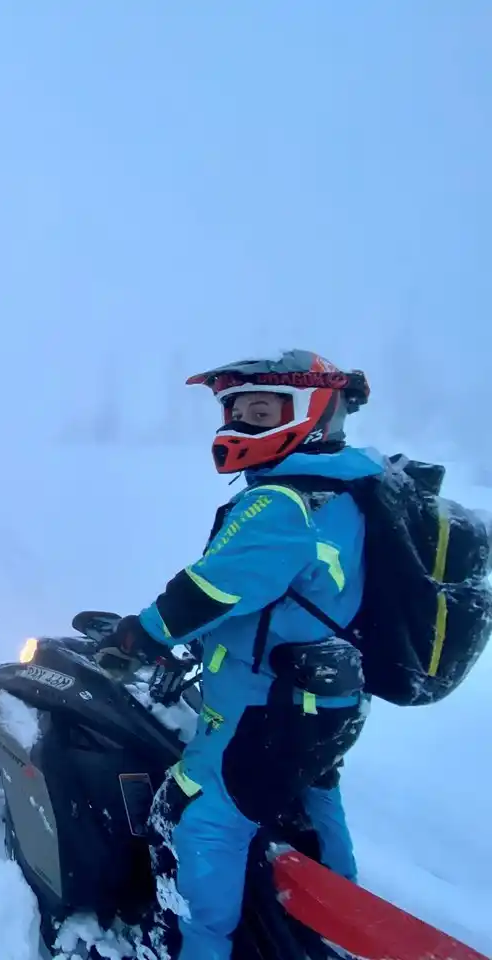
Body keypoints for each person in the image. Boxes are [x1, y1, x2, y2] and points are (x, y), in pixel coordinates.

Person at [95, 350, 377, 960]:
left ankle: (191, 946)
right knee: (314, 798)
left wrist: (138, 637)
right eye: (236, 411)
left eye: (259, 411)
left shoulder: (280, 501)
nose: (240, 426)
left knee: (193, 815)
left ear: (308, 413)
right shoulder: (349, 490)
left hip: (262, 707)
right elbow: (284, 596)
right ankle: (338, 932)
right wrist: (193, 650)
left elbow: (212, 589)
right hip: (329, 701)